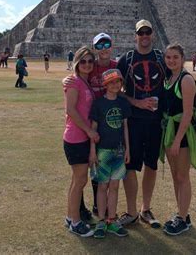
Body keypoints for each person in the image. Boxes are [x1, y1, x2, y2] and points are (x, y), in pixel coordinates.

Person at [116, 19, 166, 228]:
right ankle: (131, 211)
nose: (144, 36)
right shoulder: (126, 60)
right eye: (141, 33)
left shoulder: (161, 58)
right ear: (135, 35)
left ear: (152, 34)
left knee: (151, 165)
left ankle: (145, 208)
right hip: (133, 122)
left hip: (156, 122)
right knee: (130, 166)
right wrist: (136, 101)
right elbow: (116, 90)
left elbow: (174, 81)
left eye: (148, 32)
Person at [63, 33, 118, 221]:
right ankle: (76, 213)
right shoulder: (79, 78)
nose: (87, 64)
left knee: (97, 170)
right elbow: (71, 106)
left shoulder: (114, 68)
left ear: (112, 46)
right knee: (80, 178)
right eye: (99, 45)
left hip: (101, 128)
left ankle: (97, 207)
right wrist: (67, 78)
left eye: (107, 44)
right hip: (84, 132)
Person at [159, 43, 196, 236]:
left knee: (182, 176)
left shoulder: (186, 80)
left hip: (180, 134)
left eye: (175, 57)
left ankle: (182, 219)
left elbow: (187, 113)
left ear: (182, 58)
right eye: (168, 57)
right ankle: (182, 214)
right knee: (176, 176)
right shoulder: (169, 78)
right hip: (169, 131)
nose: (171, 60)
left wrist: (177, 140)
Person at [90, 69, 131, 238]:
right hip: (103, 151)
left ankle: (112, 220)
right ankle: (101, 220)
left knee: (114, 186)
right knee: (102, 186)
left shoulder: (123, 103)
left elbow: (125, 127)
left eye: (118, 82)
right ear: (105, 84)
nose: (115, 85)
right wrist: (92, 150)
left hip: (119, 150)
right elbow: (93, 128)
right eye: (111, 82)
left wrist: (128, 148)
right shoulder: (99, 104)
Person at [63, 46, 98, 237]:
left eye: (90, 61)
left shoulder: (85, 82)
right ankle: (76, 222)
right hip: (76, 137)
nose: (87, 64)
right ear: (77, 62)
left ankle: (70, 216)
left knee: (77, 180)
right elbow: (71, 110)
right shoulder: (75, 82)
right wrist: (89, 131)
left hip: (82, 137)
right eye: (83, 61)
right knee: (80, 180)